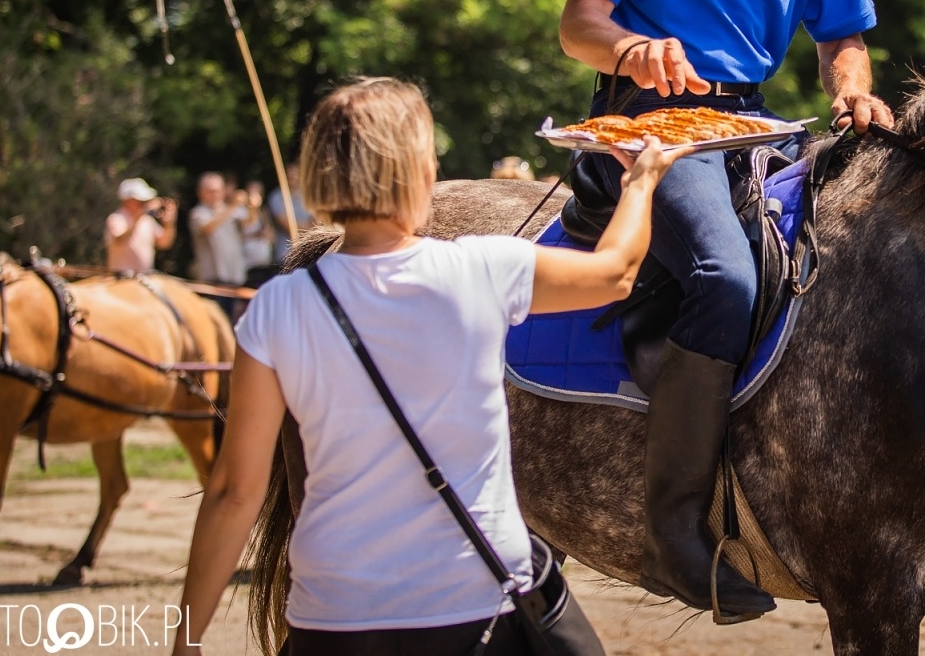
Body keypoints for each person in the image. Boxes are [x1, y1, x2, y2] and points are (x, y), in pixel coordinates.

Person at [554, 0, 893, 617]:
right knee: (727, 277)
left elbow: (841, 37)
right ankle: (673, 528)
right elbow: (576, 24)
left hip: (762, 124)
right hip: (650, 123)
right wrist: (632, 51)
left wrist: (854, 91)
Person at [172, 77, 684, 655]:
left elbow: (235, 494)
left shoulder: (276, 308)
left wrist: (187, 641)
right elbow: (615, 272)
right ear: (415, 172)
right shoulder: (480, 269)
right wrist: (640, 182)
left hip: (332, 615)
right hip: (473, 606)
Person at [104, 177, 177, 273]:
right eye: (140, 200)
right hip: (120, 279)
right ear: (128, 200)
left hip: (144, 278)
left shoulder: (147, 220)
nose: (144, 203)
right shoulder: (116, 218)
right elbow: (120, 239)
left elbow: (164, 243)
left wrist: (169, 224)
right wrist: (138, 216)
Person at [189, 171, 249, 286]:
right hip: (211, 278)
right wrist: (232, 206)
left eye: (217, 190)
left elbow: (248, 223)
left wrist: (253, 205)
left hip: (234, 276)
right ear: (200, 192)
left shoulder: (231, 210)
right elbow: (208, 228)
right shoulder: (198, 213)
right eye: (210, 191)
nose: (215, 195)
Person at [270, 161, 316, 267]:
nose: (293, 178)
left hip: (306, 255)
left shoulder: (308, 197)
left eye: (296, 175)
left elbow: (316, 224)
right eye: (290, 175)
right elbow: (288, 226)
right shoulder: (276, 197)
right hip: (285, 255)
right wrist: (307, 228)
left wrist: (308, 228)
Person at [240, 179, 277, 280]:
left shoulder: (264, 212)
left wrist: (267, 234)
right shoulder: (240, 211)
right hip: (247, 264)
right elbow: (244, 228)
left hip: (264, 263)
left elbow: (272, 237)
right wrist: (253, 208)